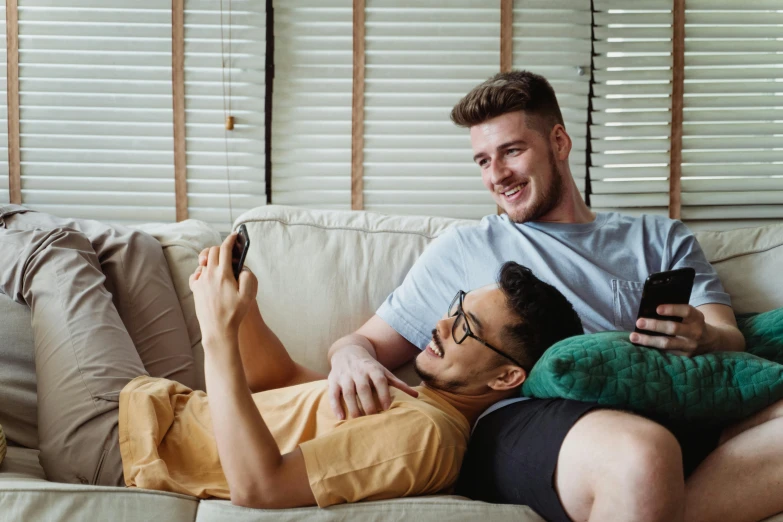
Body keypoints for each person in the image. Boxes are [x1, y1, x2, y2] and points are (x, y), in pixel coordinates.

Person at [325, 71, 783, 522]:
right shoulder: (462, 249)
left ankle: (650, 504)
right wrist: (350, 359)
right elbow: (361, 343)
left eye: (512, 151)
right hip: (526, 421)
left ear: (559, 143)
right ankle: (648, 491)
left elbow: (728, 334)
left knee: (660, 454)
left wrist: (705, 338)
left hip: (669, 406)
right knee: (642, 454)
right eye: (483, 161)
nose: (497, 175)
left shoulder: (658, 239)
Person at [0, 203, 584, 508]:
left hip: (116, 447)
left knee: (57, 249)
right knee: (130, 249)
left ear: (508, 375)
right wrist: (243, 303)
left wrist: (218, 331)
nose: (440, 324)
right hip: (169, 410)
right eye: (454, 306)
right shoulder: (413, 397)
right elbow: (277, 380)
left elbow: (261, 486)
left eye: (464, 327)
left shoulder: (429, 437)